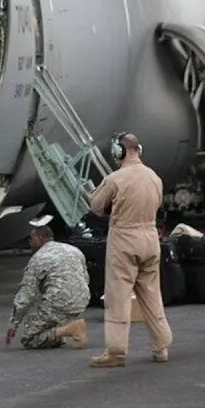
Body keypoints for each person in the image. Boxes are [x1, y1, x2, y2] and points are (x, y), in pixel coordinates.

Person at [86, 132, 173, 367]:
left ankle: (116, 351)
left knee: (118, 297)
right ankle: (161, 346)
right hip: (150, 238)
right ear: (139, 150)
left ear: (119, 152)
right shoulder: (154, 177)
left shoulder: (116, 179)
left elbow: (95, 206)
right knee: (151, 295)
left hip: (125, 240)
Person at [5, 215, 90, 350]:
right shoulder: (73, 250)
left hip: (60, 302)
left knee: (29, 338)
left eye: (30, 239)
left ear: (40, 239)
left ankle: (69, 329)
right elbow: (85, 278)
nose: (29, 243)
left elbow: (26, 295)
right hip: (81, 300)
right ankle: (59, 332)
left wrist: (14, 324)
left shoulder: (38, 258)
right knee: (45, 303)